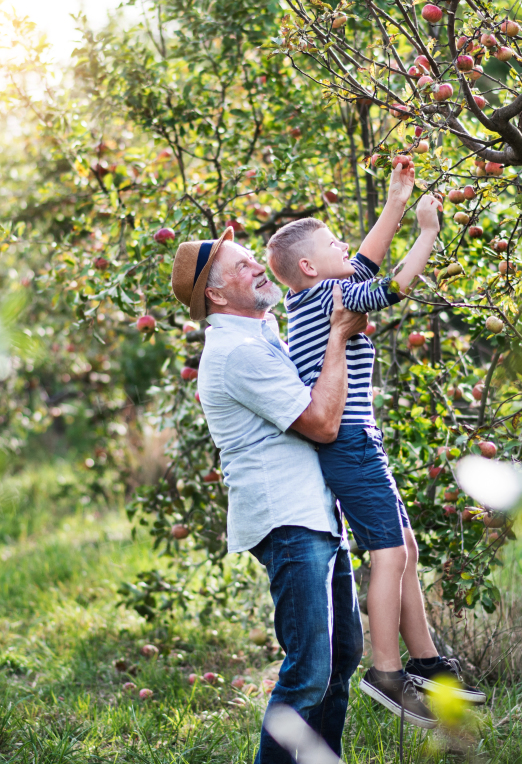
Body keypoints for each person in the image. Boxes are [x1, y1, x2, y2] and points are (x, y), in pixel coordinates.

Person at [264, 161, 485, 728]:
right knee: (388, 551)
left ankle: (429, 661)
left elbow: (364, 260)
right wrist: (427, 231)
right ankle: (387, 672)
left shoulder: (311, 297)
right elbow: (395, 284)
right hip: (352, 445)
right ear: (310, 265)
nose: (348, 247)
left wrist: (394, 200)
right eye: (333, 241)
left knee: (403, 545)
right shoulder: (327, 298)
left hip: (361, 443)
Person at [170, 228, 368, 764]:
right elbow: (323, 424)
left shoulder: (262, 331)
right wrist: (338, 336)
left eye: (255, 259)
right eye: (243, 266)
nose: (259, 268)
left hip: (317, 515)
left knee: (342, 656)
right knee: (308, 672)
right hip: (288, 521)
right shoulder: (235, 353)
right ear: (215, 295)